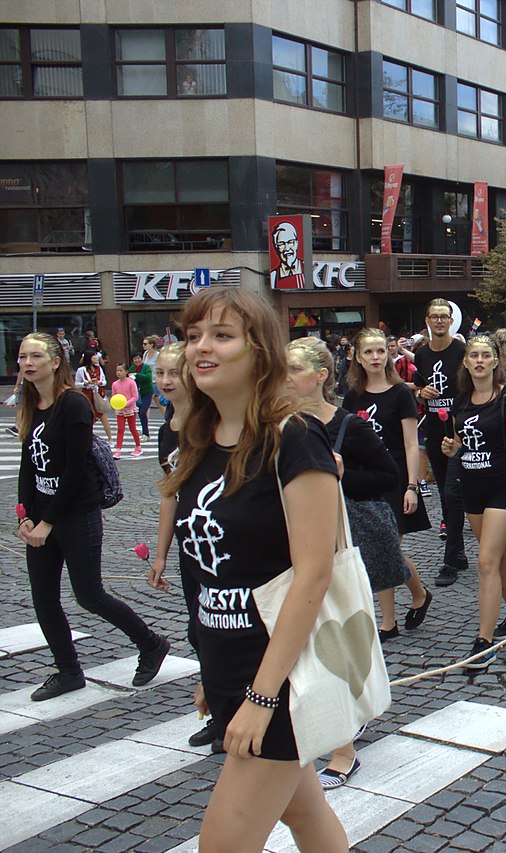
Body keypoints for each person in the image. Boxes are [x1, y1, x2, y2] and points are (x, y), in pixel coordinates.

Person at [162, 288, 346, 850]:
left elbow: (314, 573)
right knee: (305, 813)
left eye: (222, 335)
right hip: (228, 669)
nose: (201, 348)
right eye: (193, 336)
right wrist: (208, 671)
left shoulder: (293, 438)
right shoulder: (198, 441)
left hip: (283, 681)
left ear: (259, 350)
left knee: (220, 845)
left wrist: (262, 698)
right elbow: (205, 577)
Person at [15, 331, 169, 704]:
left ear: (55, 362)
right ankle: (68, 671)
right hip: (40, 517)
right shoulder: (31, 404)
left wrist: (49, 521)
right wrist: (24, 516)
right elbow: (28, 466)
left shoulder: (73, 405)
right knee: (44, 599)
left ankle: (151, 643)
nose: (27, 363)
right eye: (22, 357)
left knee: (90, 595)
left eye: (35, 356)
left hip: (76, 514)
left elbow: (74, 470)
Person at [286, 337, 409, 789]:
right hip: (295, 543)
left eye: (293, 370)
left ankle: (344, 747)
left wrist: (343, 473)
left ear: (320, 376)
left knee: (333, 636)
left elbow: (387, 476)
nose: (284, 379)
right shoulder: (280, 426)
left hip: (342, 542)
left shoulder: (349, 426)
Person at [440, 336, 506, 668]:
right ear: (465, 363)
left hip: (503, 489)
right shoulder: (461, 402)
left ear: (496, 363)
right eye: (473, 355)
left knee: (485, 562)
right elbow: (463, 444)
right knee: (498, 555)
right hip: (472, 488)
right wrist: (453, 450)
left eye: (485, 355)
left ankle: (484, 640)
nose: (479, 360)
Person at [146, 343, 217, 751]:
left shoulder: (212, 423)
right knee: (198, 628)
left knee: (221, 627)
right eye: (161, 374)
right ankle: (220, 707)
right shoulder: (164, 429)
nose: (167, 381)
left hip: (220, 542)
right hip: (189, 545)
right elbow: (169, 493)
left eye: (175, 373)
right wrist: (160, 555)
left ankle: (228, 707)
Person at [342, 328, 432, 640]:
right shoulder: (352, 395)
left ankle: (406, 605)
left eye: (380, 350)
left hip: (393, 476)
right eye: (368, 352)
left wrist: (412, 486)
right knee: (377, 550)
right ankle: (397, 614)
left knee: (388, 547)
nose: (376, 357)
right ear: (357, 357)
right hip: (363, 478)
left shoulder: (400, 393)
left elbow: (410, 444)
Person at [414, 300, 470, 586]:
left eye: (443, 317)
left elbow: (471, 386)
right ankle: (458, 552)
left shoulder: (461, 352)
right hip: (434, 430)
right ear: (427, 320)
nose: (438, 322)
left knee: (452, 491)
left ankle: (449, 561)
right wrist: (422, 392)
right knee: (446, 494)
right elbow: (416, 386)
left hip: (459, 430)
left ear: (451, 321)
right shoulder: (421, 354)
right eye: (433, 317)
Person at [74, 351, 113, 442]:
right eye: (94, 356)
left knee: (103, 415)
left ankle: (110, 439)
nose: (96, 358)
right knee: (89, 417)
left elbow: (104, 381)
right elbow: (76, 384)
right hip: (87, 395)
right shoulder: (81, 370)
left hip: (98, 394)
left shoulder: (99, 368)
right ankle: (88, 438)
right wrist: (86, 383)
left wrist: (100, 383)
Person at [110, 363, 143, 459]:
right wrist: (116, 404)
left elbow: (135, 396)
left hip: (130, 409)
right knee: (120, 429)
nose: (118, 373)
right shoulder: (114, 384)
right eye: (117, 371)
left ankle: (138, 447)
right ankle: (118, 449)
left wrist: (126, 403)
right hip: (120, 410)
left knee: (132, 428)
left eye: (121, 370)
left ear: (126, 372)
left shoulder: (131, 382)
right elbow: (114, 396)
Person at [130, 353, 156, 438]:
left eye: (138, 358)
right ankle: (145, 432)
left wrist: (137, 374)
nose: (137, 360)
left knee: (143, 412)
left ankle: (146, 433)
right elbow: (128, 376)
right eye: (135, 359)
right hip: (138, 393)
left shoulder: (146, 367)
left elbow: (148, 377)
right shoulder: (132, 368)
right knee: (141, 413)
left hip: (147, 392)